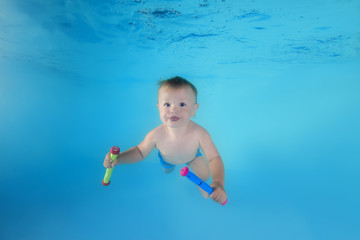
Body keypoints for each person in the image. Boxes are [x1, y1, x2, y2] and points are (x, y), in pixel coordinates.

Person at [103, 76, 227, 204]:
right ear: (159, 108)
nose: (173, 110)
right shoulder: (156, 135)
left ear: (194, 109)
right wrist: (120, 158)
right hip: (166, 159)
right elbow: (140, 152)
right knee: (167, 171)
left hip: (192, 156)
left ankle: (200, 185)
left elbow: (214, 158)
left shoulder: (200, 133)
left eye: (182, 104)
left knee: (204, 175)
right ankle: (169, 169)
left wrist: (218, 182)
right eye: (167, 104)